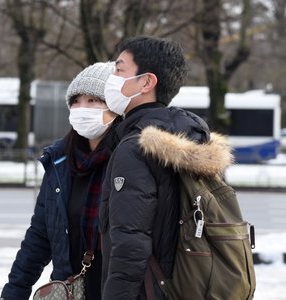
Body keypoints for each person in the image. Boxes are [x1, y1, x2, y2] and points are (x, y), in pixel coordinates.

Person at [99, 36, 214, 299]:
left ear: (147, 82)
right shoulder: (193, 139)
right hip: (186, 285)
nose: (111, 78)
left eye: (119, 69)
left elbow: (130, 245)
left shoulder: (136, 149)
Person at [0, 62, 119, 300]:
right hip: (71, 289)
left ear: (116, 107)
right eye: (76, 101)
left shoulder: (129, 160)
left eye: (93, 100)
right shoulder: (60, 161)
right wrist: (14, 292)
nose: (82, 108)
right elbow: (39, 236)